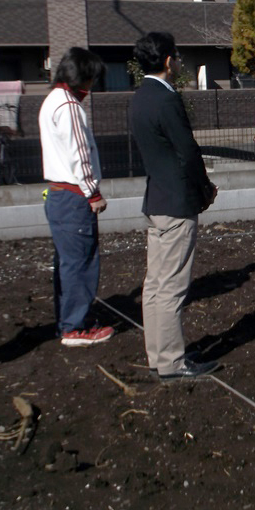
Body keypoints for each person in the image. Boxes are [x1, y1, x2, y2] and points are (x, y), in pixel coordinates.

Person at [129, 32, 219, 381]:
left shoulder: (139, 98)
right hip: (177, 202)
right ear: (168, 61)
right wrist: (205, 189)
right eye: (177, 58)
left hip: (156, 198)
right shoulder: (166, 100)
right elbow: (188, 150)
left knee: (154, 284)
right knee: (171, 286)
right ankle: (171, 361)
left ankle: (158, 353)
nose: (179, 63)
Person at [39, 47, 114, 347]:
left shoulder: (50, 102)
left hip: (58, 195)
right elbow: (79, 155)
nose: (92, 86)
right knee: (80, 263)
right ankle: (75, 327)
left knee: (68, 263)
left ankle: (68, 322)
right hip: (73, 198)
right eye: (92, 79)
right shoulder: (69, 106)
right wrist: (93, 193)